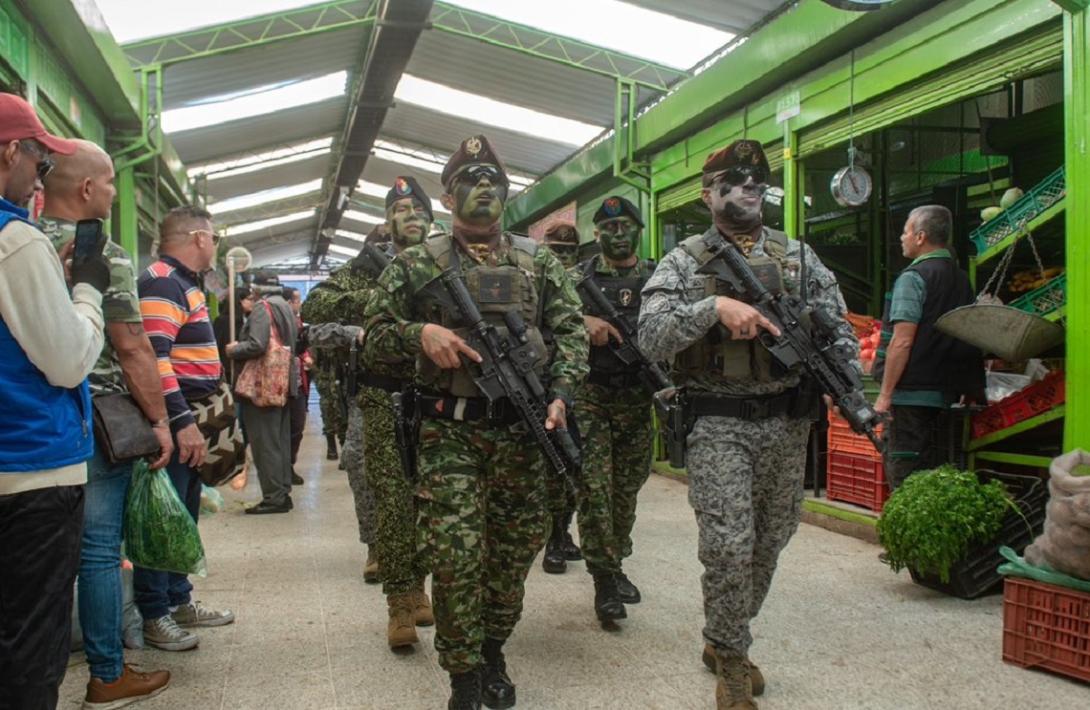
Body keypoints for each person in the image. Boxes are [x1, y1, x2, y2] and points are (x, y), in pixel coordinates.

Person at [363, 135, 588, 709]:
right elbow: (373, 339)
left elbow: (571, 335)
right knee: (457, 557)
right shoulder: (416, 263)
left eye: (494, 178)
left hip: (523, 431)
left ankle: (492, 648)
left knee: (512, 555)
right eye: (471, 177)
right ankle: (463, 674)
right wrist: (421, 334)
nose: (484, 186)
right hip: (448, 432)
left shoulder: (536, 262)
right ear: (448, 194)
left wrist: (561, 392)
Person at [639, 140, 857, 710]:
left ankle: (721, 633)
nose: (748, 189)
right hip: (719, 422)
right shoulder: (685, 261)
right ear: (708, 194)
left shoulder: (797, 257)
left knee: (772, 538)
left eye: (756, 181)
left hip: (788, 421)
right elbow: (652, 336)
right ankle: (733, 657)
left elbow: (839, 330)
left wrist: (852, 391)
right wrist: (712, 309)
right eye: (733, 181)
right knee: (729, 544)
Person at [40, 139, 173, 708]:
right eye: (113, 183)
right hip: (95, 418)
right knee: (97, 550)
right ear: (88, 189)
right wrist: (161, 419)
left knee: (37, 548)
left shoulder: (17, 239)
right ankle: (107, 673)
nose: (116, 193)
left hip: (30, 419)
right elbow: (132, 343)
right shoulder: (105, 254)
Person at [0, 92, 107, 710]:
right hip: (31, 470)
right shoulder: (16, 240)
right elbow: (66, 360)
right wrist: (84, 293)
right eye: (40, 165)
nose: (40, 180)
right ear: (13, 152)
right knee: (31, 648)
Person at [136, 205, 235, 652]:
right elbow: (156, 360)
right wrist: (180, 422)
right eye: (213, 237)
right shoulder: (161, 281)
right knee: (164, 519)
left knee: (183, 517)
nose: (215, 245)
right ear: (198, 237)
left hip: (192, 416)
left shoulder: (182, 284)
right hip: (180, 421)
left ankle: (179, 599)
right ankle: (155, 611)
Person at [350, 176, 436, 650]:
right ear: (388, 221)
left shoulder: (446, 263)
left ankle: (421, 585)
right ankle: (400, 601)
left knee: (432, 502)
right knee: (394, 503)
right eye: (401, 209)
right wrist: (381, 302)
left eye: (419, 209)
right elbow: (320, 302)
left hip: (439, 401)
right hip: (384, 401)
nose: (412, 216)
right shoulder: (367, 269)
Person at [572, 196, 657, 625]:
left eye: (626, 226)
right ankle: (603, 577)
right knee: (595, 488)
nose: (618, 234)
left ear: (639, 230)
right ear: (597, 234)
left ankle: (616, 561)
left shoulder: (658, 278)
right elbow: (549, 321)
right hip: (591, 395)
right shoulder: (577, 280)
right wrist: (582, 323)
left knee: (626, 489)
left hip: (638, 398)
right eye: (609, 227)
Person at [874, 205, 983, 490]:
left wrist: (884, 396)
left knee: (907, 479)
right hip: (947, 396)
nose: (902, 237)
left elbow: (903, 340)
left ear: (920, 237)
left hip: (912, 398)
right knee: (937, 477)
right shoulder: (961, 278)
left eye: (906, 231)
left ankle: (907, 535)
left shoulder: (914, 278)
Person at [300, 228, 382, 580]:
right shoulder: (353, 276)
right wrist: (351, 333)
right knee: (359, 460)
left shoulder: (428, 267)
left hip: (425, 390)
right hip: (366, 388)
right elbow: (312, 329)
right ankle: (376, 546)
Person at [227, 272, 299, 514]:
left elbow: (257, 344)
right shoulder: (285, 307)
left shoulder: (262, 308)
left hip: (263, 387)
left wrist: (235, 349)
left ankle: (273, 497)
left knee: (265, 442)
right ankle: (283, 492)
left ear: (257, 289)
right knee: (279, 440)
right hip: (282, 383)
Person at [539, 222, 583, 575]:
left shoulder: (588, 283)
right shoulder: (536, 283)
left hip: (587, 391)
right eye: (556, 250)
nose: (562, 257)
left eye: (568, 251)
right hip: (545, 387)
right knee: (554, 465)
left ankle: (564, 529)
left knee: (576, 464)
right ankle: (552, 537)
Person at [283, 286, 309, 484]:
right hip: (284, 384)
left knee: (297, 428)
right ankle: (284, 469)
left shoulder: (298, 321)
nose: (299, 303)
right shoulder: (280, 323)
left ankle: (289, 465)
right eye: (297, 299)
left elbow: (302, 346)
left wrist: (305, 356)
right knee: (287, 429)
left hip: (299, 383)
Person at [213, 286, 253, 373]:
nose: (252, 302)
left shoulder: (248, 320)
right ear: (240, 300)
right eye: (249, 299)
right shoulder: (223, 321)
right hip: (228, 367)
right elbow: (218, 346)